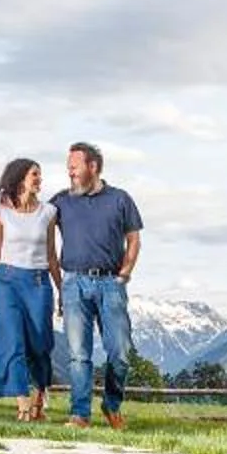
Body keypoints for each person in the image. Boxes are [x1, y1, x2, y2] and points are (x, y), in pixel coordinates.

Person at [52, 140, 142, 429]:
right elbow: (32, 219)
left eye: (74, 167)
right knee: (79, 355)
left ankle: (111, 404)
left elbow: (134, 240)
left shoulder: (120, 199)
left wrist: (124, 273)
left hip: (110, 284)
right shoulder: (60, 202)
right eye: (68, 168)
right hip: (73, 283)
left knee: (121, 353)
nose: (70, 173)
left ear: (93, 166)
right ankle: (80, 415)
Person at [0, 157, 59, 423]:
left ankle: (38, 401)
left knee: (40, 345)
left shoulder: (48, 212)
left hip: (38, 282)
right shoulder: (1, 211)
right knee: (11, 342)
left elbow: (52, 256)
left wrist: (61, 290)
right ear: (20, 178)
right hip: (6, 283)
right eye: (35, 174)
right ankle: (22, 404)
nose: (39, 179)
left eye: (40, 174)